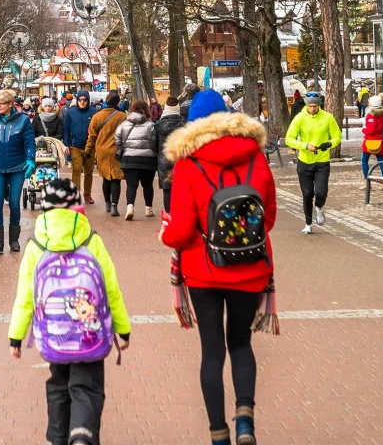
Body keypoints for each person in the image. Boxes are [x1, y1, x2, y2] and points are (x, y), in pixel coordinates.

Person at [161, 100, 276, 445]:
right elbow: (267, 217)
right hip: (251, 266)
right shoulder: (256, 156)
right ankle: (245, 419)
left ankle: (219, 434)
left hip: (203, 270)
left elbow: (180, 232)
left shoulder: (187, 164)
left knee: (212, 350)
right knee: (241, 343)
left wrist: (166, 234)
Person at [8, 178, 131, 445]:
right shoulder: (91, 239)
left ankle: (58, 439)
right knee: (87, 387)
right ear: (77, 208)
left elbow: (25, 296)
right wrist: (123, 328)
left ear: (45, 209)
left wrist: (15, 337)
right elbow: (111, 287)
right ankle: (82, 436)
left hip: (55, 335)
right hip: (91, 334)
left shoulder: (36, 245)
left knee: (58, 386)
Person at [0, 88, 36, 254]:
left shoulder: (23, 120)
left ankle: (14, 241)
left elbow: (29, 142)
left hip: (17, 166)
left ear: (11, 104)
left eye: (1, 104)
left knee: (14, 203)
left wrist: (30, 160)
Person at [284, 91, 341, 234]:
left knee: (321, 193)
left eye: (315, 106)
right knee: (307, 194)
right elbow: (289, 139)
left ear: (319, 106)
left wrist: (328, 144)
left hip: (322, 161)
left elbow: (337, 136)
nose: (312, 109)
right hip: (304, 162)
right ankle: (308, 223)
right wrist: (304, 146)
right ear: (307, 105)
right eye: (310, 106)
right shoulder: (299, 118)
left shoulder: (328, 117)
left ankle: (320, 208)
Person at [86, 91, 129, 217]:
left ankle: (107, 203)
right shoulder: (122, 116)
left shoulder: (97, 116)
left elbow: (91, 136)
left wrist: (88, 151)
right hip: (116, 150)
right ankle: (115, 205)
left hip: (102, 151)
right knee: (116, 178)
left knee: (106, 178)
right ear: (117, 102)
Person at [113, 103, 159, 219]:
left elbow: (117, 140)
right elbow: (154, 142)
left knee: (131, 185)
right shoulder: (151, 125)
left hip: (129, 159)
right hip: (148, 159)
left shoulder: (123, 125)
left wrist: (124, 148)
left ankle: (130, 207)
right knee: (148, 185)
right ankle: (148, 209)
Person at [154, 95, 187, 213]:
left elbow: (153, 144)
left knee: (167, 189)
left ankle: (168, 215)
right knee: (181, 188)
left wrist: (159, 154)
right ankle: (180, 213)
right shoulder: (184, 126)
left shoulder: (158, 126)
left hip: (164, 160)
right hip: (180, 160)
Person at [62, 91, 95, 204]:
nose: (82, 102)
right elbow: (66, 129)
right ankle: (75, 194)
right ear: (77, 100)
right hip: (75, 146)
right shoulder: (71, 113)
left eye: (84, 100)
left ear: (88, 100)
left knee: (89, 171)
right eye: (80, 100)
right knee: (76, 170)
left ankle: (87, 194)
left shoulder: (94, 112)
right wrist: (66, 144)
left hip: (89, 146)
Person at [361, 94, 383, 182]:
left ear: (372, 104)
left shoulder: (371, 115)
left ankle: (367, 180)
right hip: (380, 140)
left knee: (364, 160)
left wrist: (363, 130)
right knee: (381, 161)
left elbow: (371, 130)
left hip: (370, 140)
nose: (368, 104)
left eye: (369, 103)